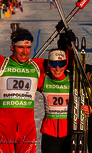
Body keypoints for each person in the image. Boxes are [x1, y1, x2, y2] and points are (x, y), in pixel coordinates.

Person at [0, 25, 74, 153]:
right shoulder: (3, 63)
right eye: (21, 47)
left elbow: (59, 63)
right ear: (12, 47)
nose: (25, 52)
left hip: (27, 127)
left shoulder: (36, 65)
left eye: (28, 47)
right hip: (4, 126)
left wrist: (65, 42)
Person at [38, 48, 74, 153]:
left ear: (66, 64)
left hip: (69, 134)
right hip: (49, 135)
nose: (58, 68)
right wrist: (45, 64)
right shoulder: (44, 79)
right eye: (54, 64)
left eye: (61, 63)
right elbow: (31, 68)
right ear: (48, 64)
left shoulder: (73, 79)